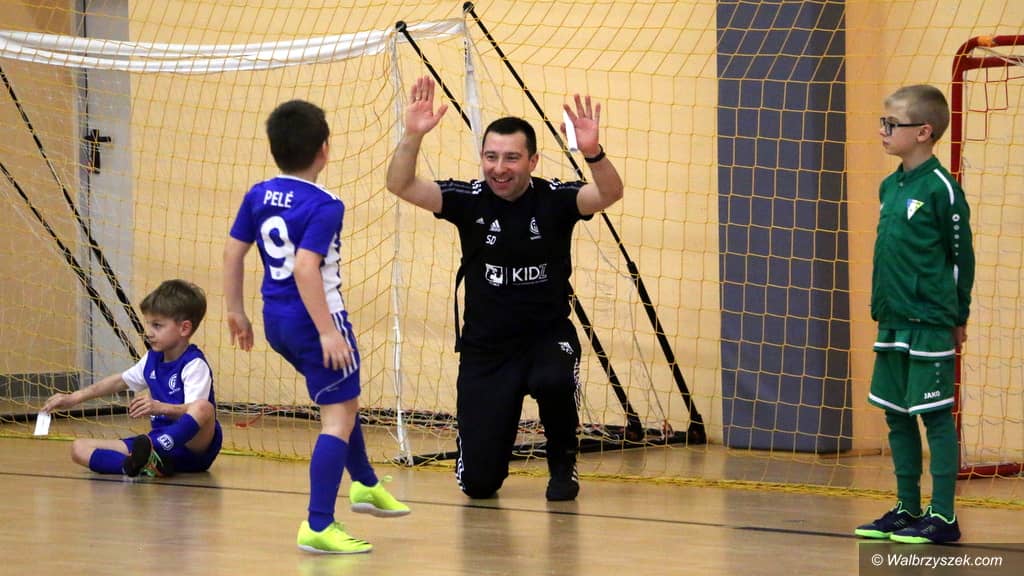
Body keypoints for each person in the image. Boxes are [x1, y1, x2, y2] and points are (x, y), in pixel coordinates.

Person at [385, 76, 624, 501]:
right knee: (479, 486)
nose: (499, 168)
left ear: (532, 161)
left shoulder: (554, 199)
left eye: (512, 158)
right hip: (487, 349)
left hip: (546, 338)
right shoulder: (468, 199)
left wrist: (593, 152)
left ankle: (562, 463)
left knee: (555, 378)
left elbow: (609, 193)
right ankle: (486, 452)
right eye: (491, 157)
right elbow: (400, 185)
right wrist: (412, 134)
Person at [223, 99, 410, 555]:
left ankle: (365, 483)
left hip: (275, 319)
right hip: (315, 320)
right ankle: (319, 525)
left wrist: (236, 311)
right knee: (338, 417)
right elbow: (307, 268)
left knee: (342, 399)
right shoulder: (326, 204)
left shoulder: (258, 194)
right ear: (325, 148)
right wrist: (328, 331)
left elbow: (233, 253)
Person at [855, 84, 975, 544]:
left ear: (923, 132)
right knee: (896, 414)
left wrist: (958, 314)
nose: (882, 131)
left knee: (935, 415)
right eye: (882, 122)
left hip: (930, 321)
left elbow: (961, 258)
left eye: (891, 124)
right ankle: (907, 507)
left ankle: (942, 515)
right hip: (892, 318)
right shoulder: (890, 185)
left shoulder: (942, 188)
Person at [42, 279, 222, 478]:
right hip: (156, 443)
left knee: (203, 407)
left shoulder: (194, 363)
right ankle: (140, 464)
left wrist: (160, 407)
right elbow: (120, 381)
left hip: (193, 448)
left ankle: (154, 451)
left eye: (157, 325)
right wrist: (74, 397)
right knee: (79, 448)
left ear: (184, 328)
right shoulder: (152, 358)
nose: (148, 332)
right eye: (148, 324)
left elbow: (196, 413)